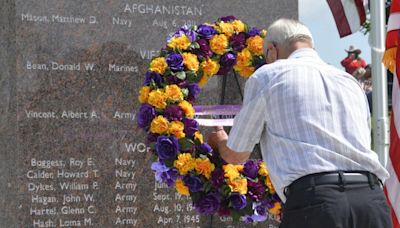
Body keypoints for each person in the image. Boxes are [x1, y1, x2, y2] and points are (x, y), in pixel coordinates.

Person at [208, 19, 391, 228]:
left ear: (272, 50)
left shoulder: (269, 75)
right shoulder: (349, 81)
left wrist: (221, 141)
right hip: (371, 201)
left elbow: (236, 154)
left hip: (316, 202)